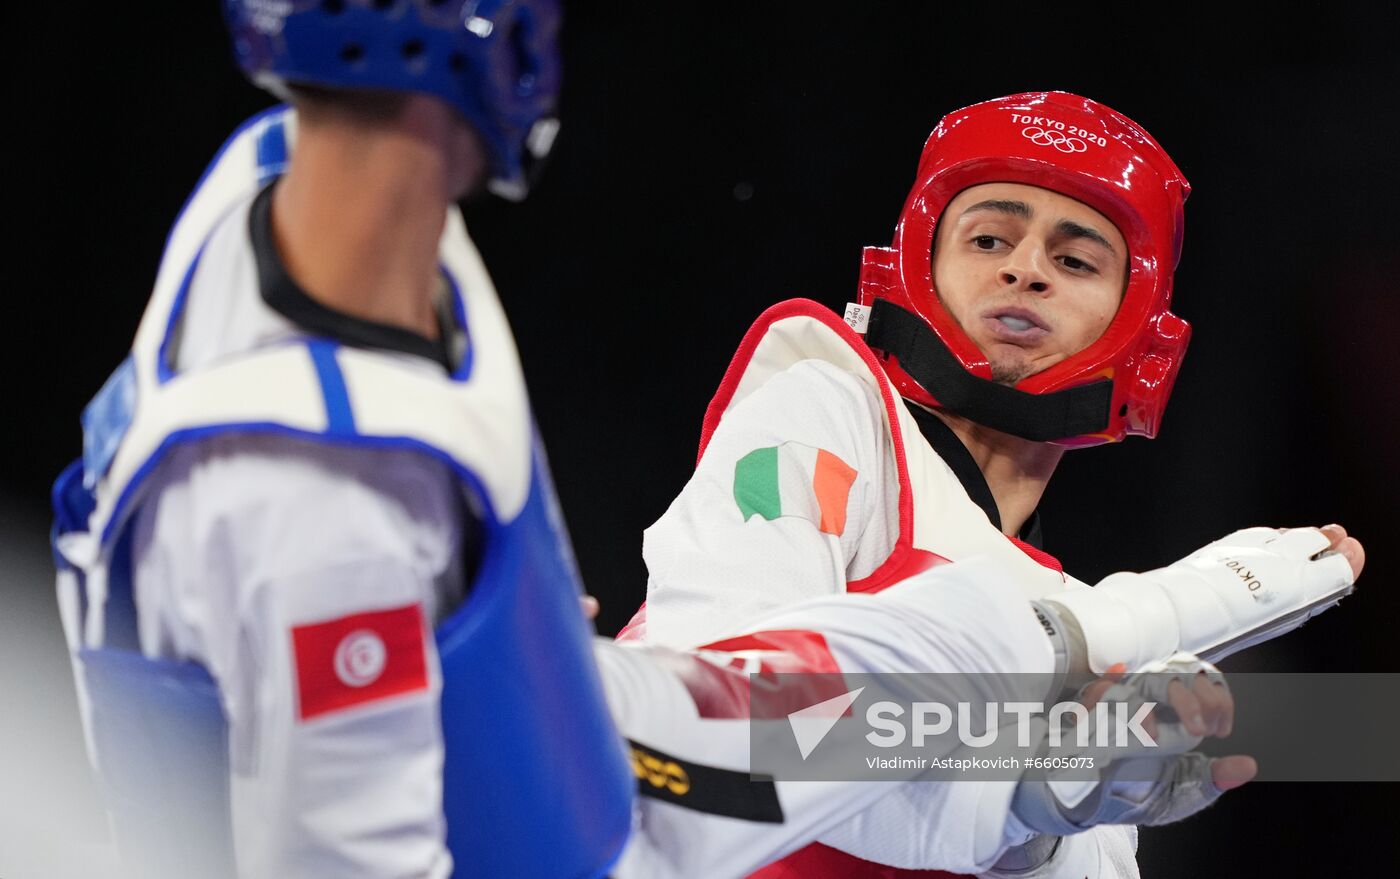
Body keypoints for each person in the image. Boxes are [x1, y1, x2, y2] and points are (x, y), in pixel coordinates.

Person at [622, 92, 1365, 877]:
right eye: (988, 238)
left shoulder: (1093, 643)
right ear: (917, 263)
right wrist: (1141, 620)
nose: (1023, 268)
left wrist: (1062, 805)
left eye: (1075, 259)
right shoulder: (822, 414)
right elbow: (727, 732)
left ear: (1141, 332)